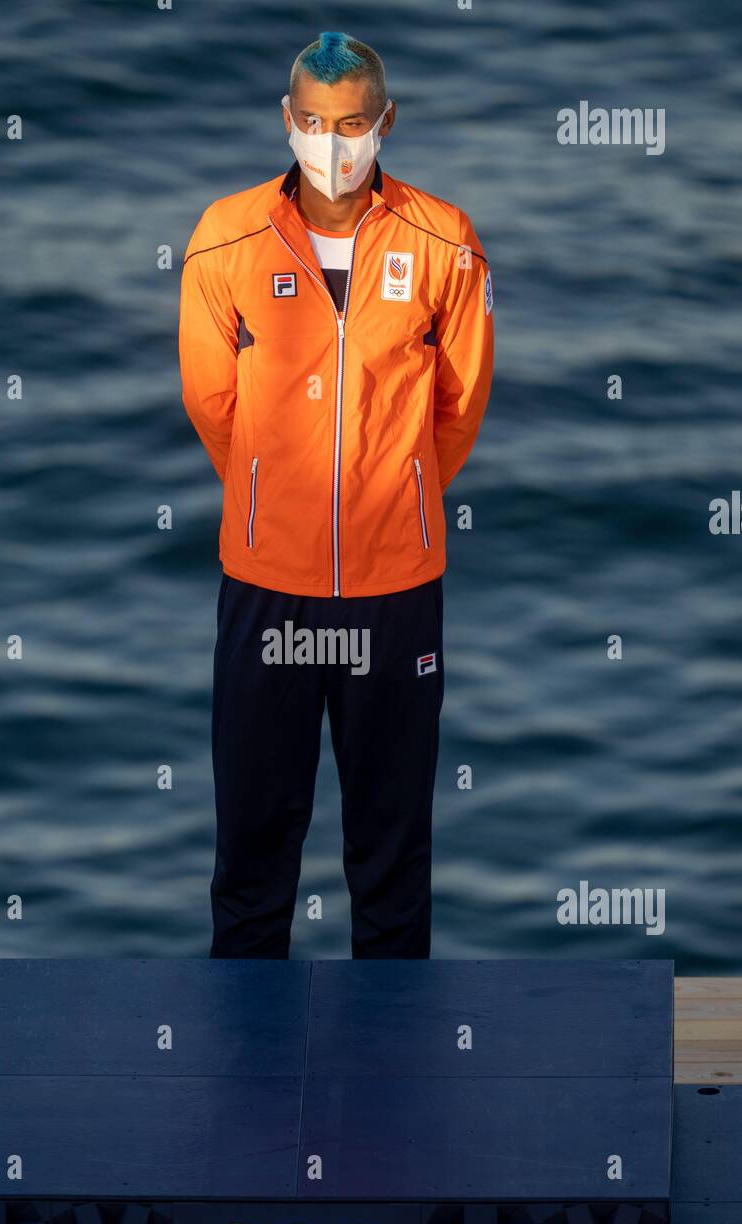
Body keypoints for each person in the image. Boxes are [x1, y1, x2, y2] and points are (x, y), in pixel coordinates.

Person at [179, 32, 494, 959]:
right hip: (267, 587)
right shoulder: (225, 239)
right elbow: (212, 406)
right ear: (287, 121)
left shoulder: (445, 241)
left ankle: (391, 1082)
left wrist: (388, 500)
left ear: (384, 123)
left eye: (351, 124)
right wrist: (273, 500)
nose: (332, 143)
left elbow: (458, 408)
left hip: (396, 592)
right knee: (250, 859)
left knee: (392, 864)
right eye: (314, 123)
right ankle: (245, 1078)